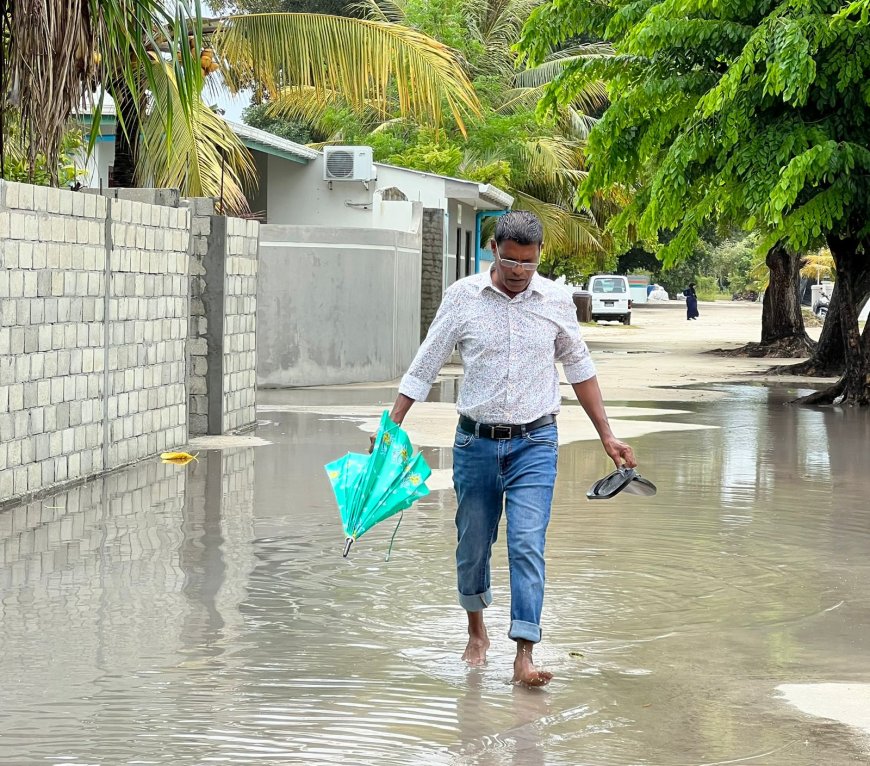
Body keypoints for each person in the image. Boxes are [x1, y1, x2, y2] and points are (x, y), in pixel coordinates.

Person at [379, 211, 636, 687]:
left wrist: (607, 434)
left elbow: (580, 368)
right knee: (473, 544)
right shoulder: (462, 298)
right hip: (475, 442)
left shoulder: (556, 300)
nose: (519, 271)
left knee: (526, 544)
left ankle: (524, 654)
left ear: (539, 256)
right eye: (511, 260)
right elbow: (425, 364)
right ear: (493, 249)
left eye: (529, 263)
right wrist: (390, 427)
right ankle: (477, 633)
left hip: (536, 441)